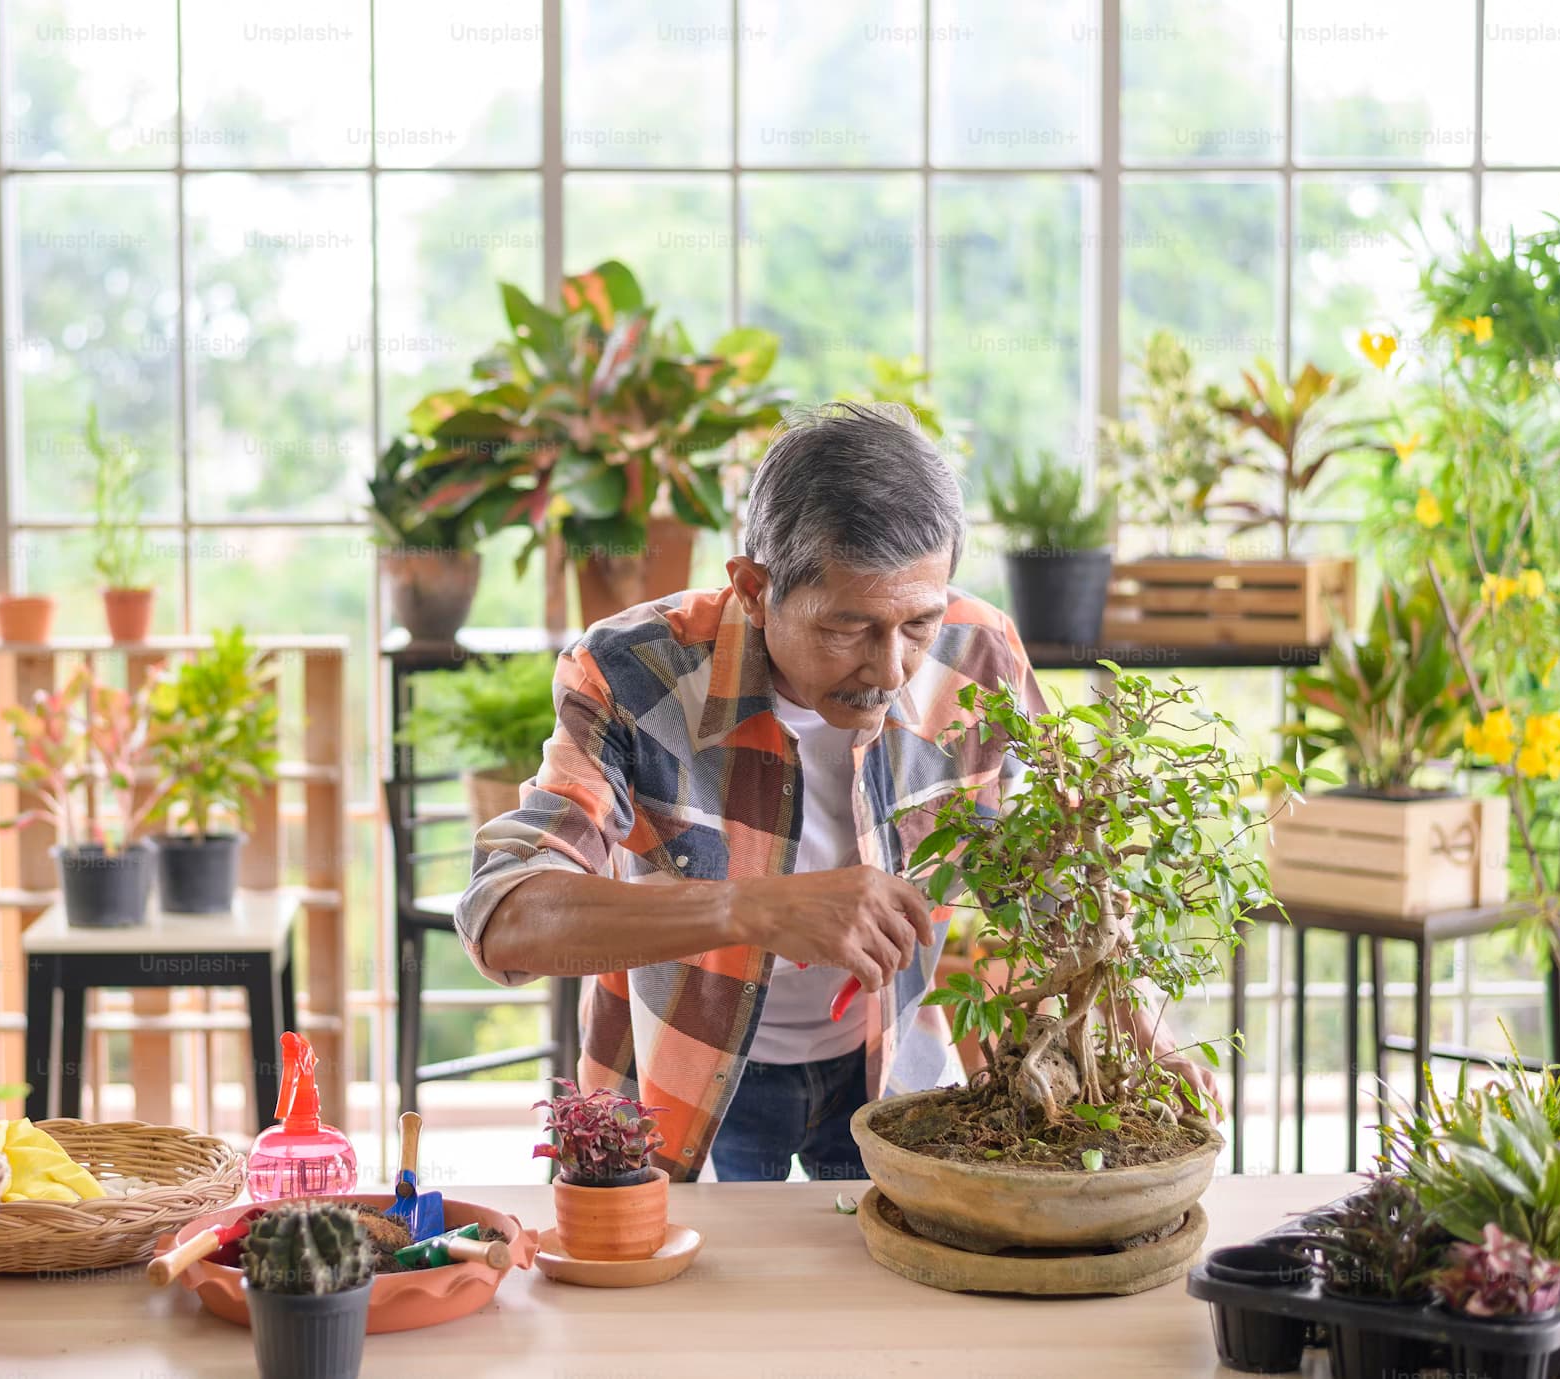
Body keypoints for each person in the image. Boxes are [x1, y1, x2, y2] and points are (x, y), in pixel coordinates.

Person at [453, 401, 1218, 1182]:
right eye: (847, 629)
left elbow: (1057, 870)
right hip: (686, 1081)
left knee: (886, 1297)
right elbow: (502, 916)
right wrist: (751, 908)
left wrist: (1141, 1029)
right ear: (753, 589)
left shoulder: (980, 654)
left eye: (918, 622)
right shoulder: (631, 671)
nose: (891, 670)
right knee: (707, 1299)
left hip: (892, 1072)